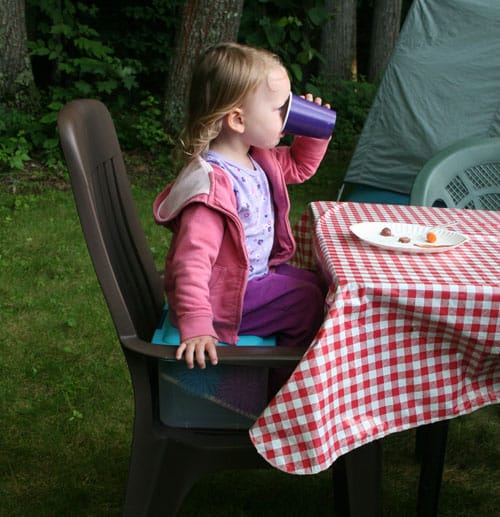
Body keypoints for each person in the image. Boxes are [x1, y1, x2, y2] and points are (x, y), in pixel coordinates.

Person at [153, 42, 331, 384]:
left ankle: (289, 364)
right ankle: (280, 385)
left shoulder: (257, 157)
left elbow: (298, 166)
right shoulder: (213, 187)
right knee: (306, 302)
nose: (290, 115)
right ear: (238, 119)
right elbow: (190, 262)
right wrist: (196, 323)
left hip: (251, 277)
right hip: (224, 300)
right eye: (282, 108)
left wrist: (315, 130)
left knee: (317, 284)